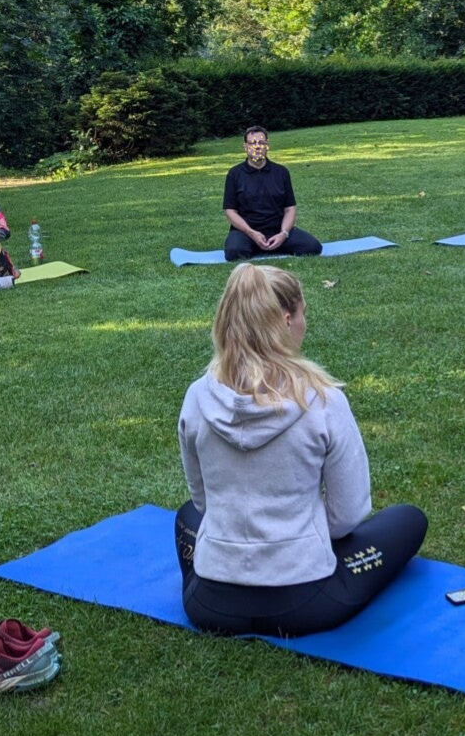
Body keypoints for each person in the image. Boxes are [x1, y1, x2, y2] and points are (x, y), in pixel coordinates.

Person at [174, 263, 427, 637]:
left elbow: (202, 503)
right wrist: (293, 537)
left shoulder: (197, 397)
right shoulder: (324, 400)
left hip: (210, 603)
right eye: (304, 315)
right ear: (288, 320)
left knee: (185, 517)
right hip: (306, 603)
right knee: (409, 519)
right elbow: (347, 517)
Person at [223, 126, 322, 260]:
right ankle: (256, 244)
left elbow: (290, 209)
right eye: (252, 143)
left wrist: (284, 234)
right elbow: (230, 212)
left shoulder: (281, 172)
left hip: (277, 229)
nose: (257, 147)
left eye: (261, 143)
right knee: (234, 252)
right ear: (245, 147)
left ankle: (274, 243)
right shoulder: (234, 174)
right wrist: (252, 233)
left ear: (267, 146)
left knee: (312, 247)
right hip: (246, 232)